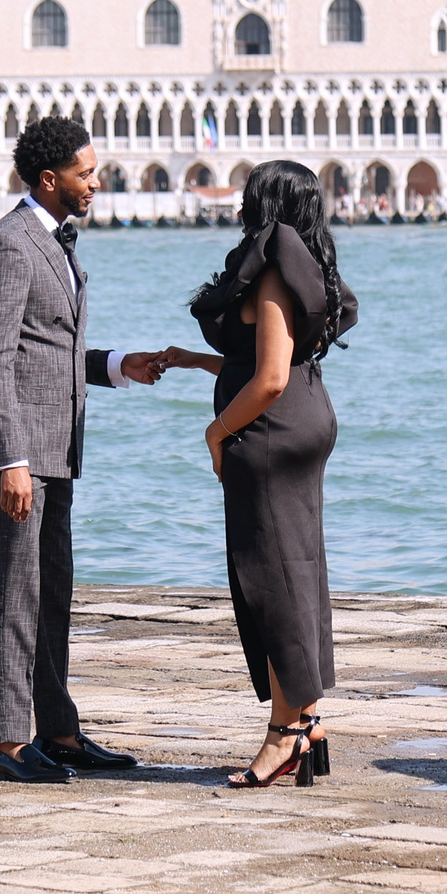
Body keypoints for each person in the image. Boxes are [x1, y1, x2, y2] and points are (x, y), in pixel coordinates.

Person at [0, 114, 167, 784]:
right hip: (18, 452)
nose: (96, 181)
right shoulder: (8, 245)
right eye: (86, 172)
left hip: (58, 448)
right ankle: (11, 742)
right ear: (51, 180)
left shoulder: (54, 243)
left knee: (52, 594)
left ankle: (59, 730)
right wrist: (12, 459)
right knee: (14, 594)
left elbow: (49, 351)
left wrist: (113, 366)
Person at [163, 159, 359, 788]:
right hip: (306, 419)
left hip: (272, 434)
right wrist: (197, 361)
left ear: (263, 203)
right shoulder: (303, 265)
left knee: (271, 581)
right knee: (296, 572)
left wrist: (216, 433)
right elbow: (267, 363)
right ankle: (305, 721)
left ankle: (283, 736)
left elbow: (269, 379)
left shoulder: (273, 271)